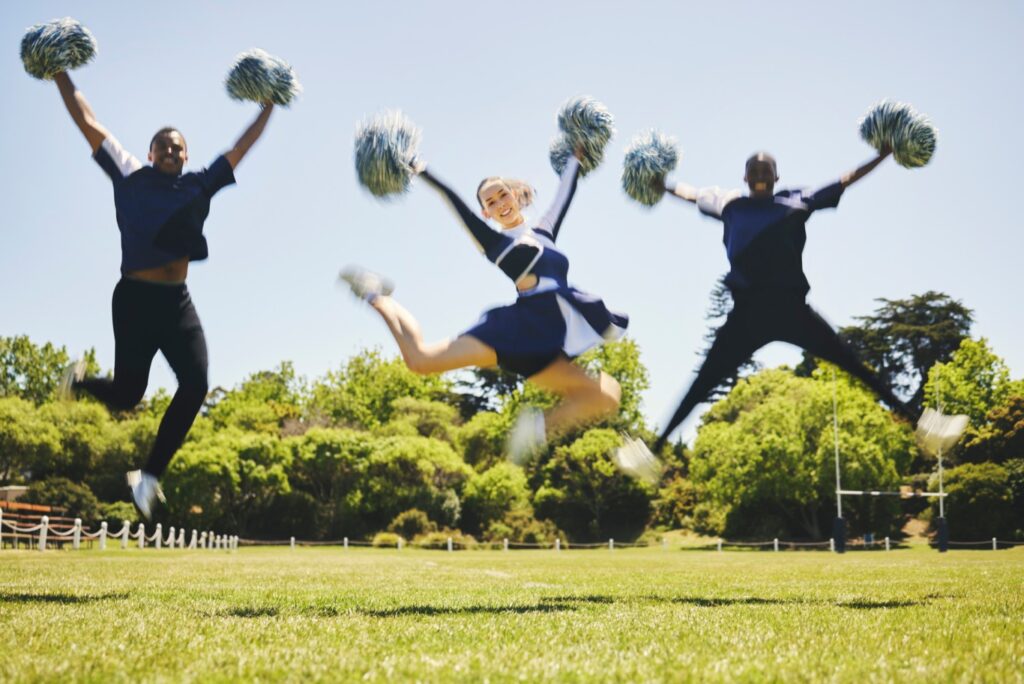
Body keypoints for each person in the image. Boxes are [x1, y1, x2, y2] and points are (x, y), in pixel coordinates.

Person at [50, 69, 275, 518]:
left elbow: (242, 147)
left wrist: (269, 104)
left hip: (176, 303)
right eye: (163, 146)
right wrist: (59, 71)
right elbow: (87, 121)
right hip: (135, 300)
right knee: (128, 396)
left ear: (186, 155)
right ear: (150, 153)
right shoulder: (130, 175)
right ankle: (79, 382)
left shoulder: (199, 184)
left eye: (178, 147)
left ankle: (149, 478)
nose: (171, 151)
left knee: (196, 384)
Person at [650, 148, 966, 454]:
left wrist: (882, 155)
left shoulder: (797, 199)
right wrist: (661, 184)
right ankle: (655, 448)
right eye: (753, 170)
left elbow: (846, 179)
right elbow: (690, 194)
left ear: (776, 177)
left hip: (793, 312)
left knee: (855, 365)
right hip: (747, 316)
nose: (759, 174)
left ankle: (925, 426)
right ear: (744, 178)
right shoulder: (729, 204)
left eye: (766, 170)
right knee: (702, 382)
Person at [342, 149, 626, 463]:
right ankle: (376, 296)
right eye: (490, 203)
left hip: (549, 338)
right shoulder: (496, 244)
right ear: (487, 214)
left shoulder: (544, 232)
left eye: (503, 195)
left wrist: (576, 157)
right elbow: (453, 201)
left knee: (606, 396)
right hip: (516, 330)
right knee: (420, 361)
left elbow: (564, 194)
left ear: (515, 195)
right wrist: (420, 168)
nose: (500, 203)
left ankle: (537, 430)